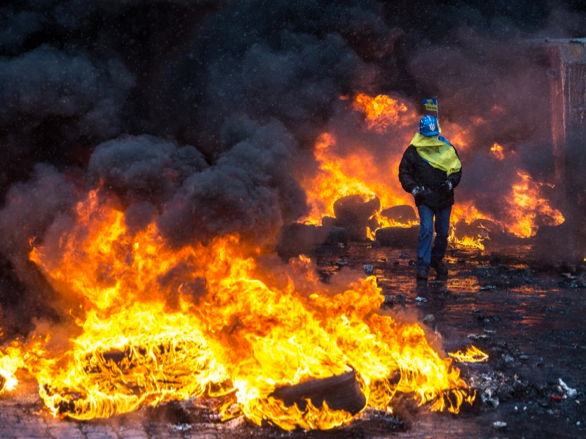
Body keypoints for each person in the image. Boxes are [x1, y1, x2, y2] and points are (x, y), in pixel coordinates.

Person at [398, 115, 462, 280]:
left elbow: (456, 170)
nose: (432, 140)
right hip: (425, 198)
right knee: (426, 230)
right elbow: (404, 173)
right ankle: (423, 265)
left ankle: (436, 259)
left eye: (434, 136)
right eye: (429, 137)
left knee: (442, 233)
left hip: (444, 198)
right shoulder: (413, 151)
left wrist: (450, 183)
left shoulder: (446, 148)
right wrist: (413, 189)